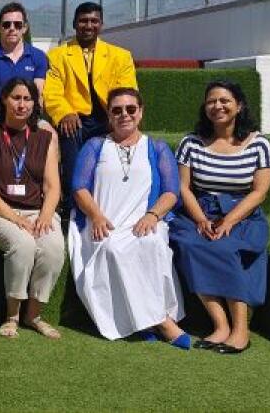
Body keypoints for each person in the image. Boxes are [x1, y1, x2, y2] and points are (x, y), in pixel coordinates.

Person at [68, 87, 188, 347]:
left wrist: (153, 215)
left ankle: (142, 321)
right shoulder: (95, 146)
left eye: (131, 109)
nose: (125, 114)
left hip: (144, 221)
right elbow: (79, 187)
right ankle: (162, 323)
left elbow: (171, 191)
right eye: (117, 110)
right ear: (109, 116)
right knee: (113, 249)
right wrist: (97, 216)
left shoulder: (156, 148)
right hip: (101, 222)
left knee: (152, 245)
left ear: (140, 112)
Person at [169, 81, 270, 355]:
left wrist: (229, 221)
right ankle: (221, 326)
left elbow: (260, 191)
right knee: (191, 244)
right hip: (199, 210)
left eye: (225, 101)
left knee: (225, 247)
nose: (218, 106)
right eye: (211, 101)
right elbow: (183, 187)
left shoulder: (259, 144)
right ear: (205, 108)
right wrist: (201, 219)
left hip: (243, 214)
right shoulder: (190, 143)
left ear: (239, 106)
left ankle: (241, 331)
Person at [0, 77, 64, 339]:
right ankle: (11, 316)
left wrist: (45, 216)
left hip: (36, 211)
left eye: (27, 99)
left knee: (53, 246)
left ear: (35, 104)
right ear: (4, 100)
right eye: (16, 98)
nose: (21, 105)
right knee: (22, 243)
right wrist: (15, 218)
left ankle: (33, 315)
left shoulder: (45, 138)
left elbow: (52, 186)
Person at [45, 1, 137, 196]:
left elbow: (127, 92)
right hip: (75, 119)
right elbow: (52, 93)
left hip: (108, 117)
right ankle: (72, 205)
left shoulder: (120, 56)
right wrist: (65, 113)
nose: (88, 25)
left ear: (101, 24)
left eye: (94, 21)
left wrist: (118, 117)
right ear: (74, 24)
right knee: (70, 134)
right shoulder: (57, 56)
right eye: (83, 21)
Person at [0, 2, 48, 126]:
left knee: (51, 135)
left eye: (17, 24)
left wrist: (23, 123)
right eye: (6, 24)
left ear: (25, 28)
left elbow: (38, 96)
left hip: (28, 119)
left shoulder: (38, 57)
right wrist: (0, 122)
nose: (12, 28)